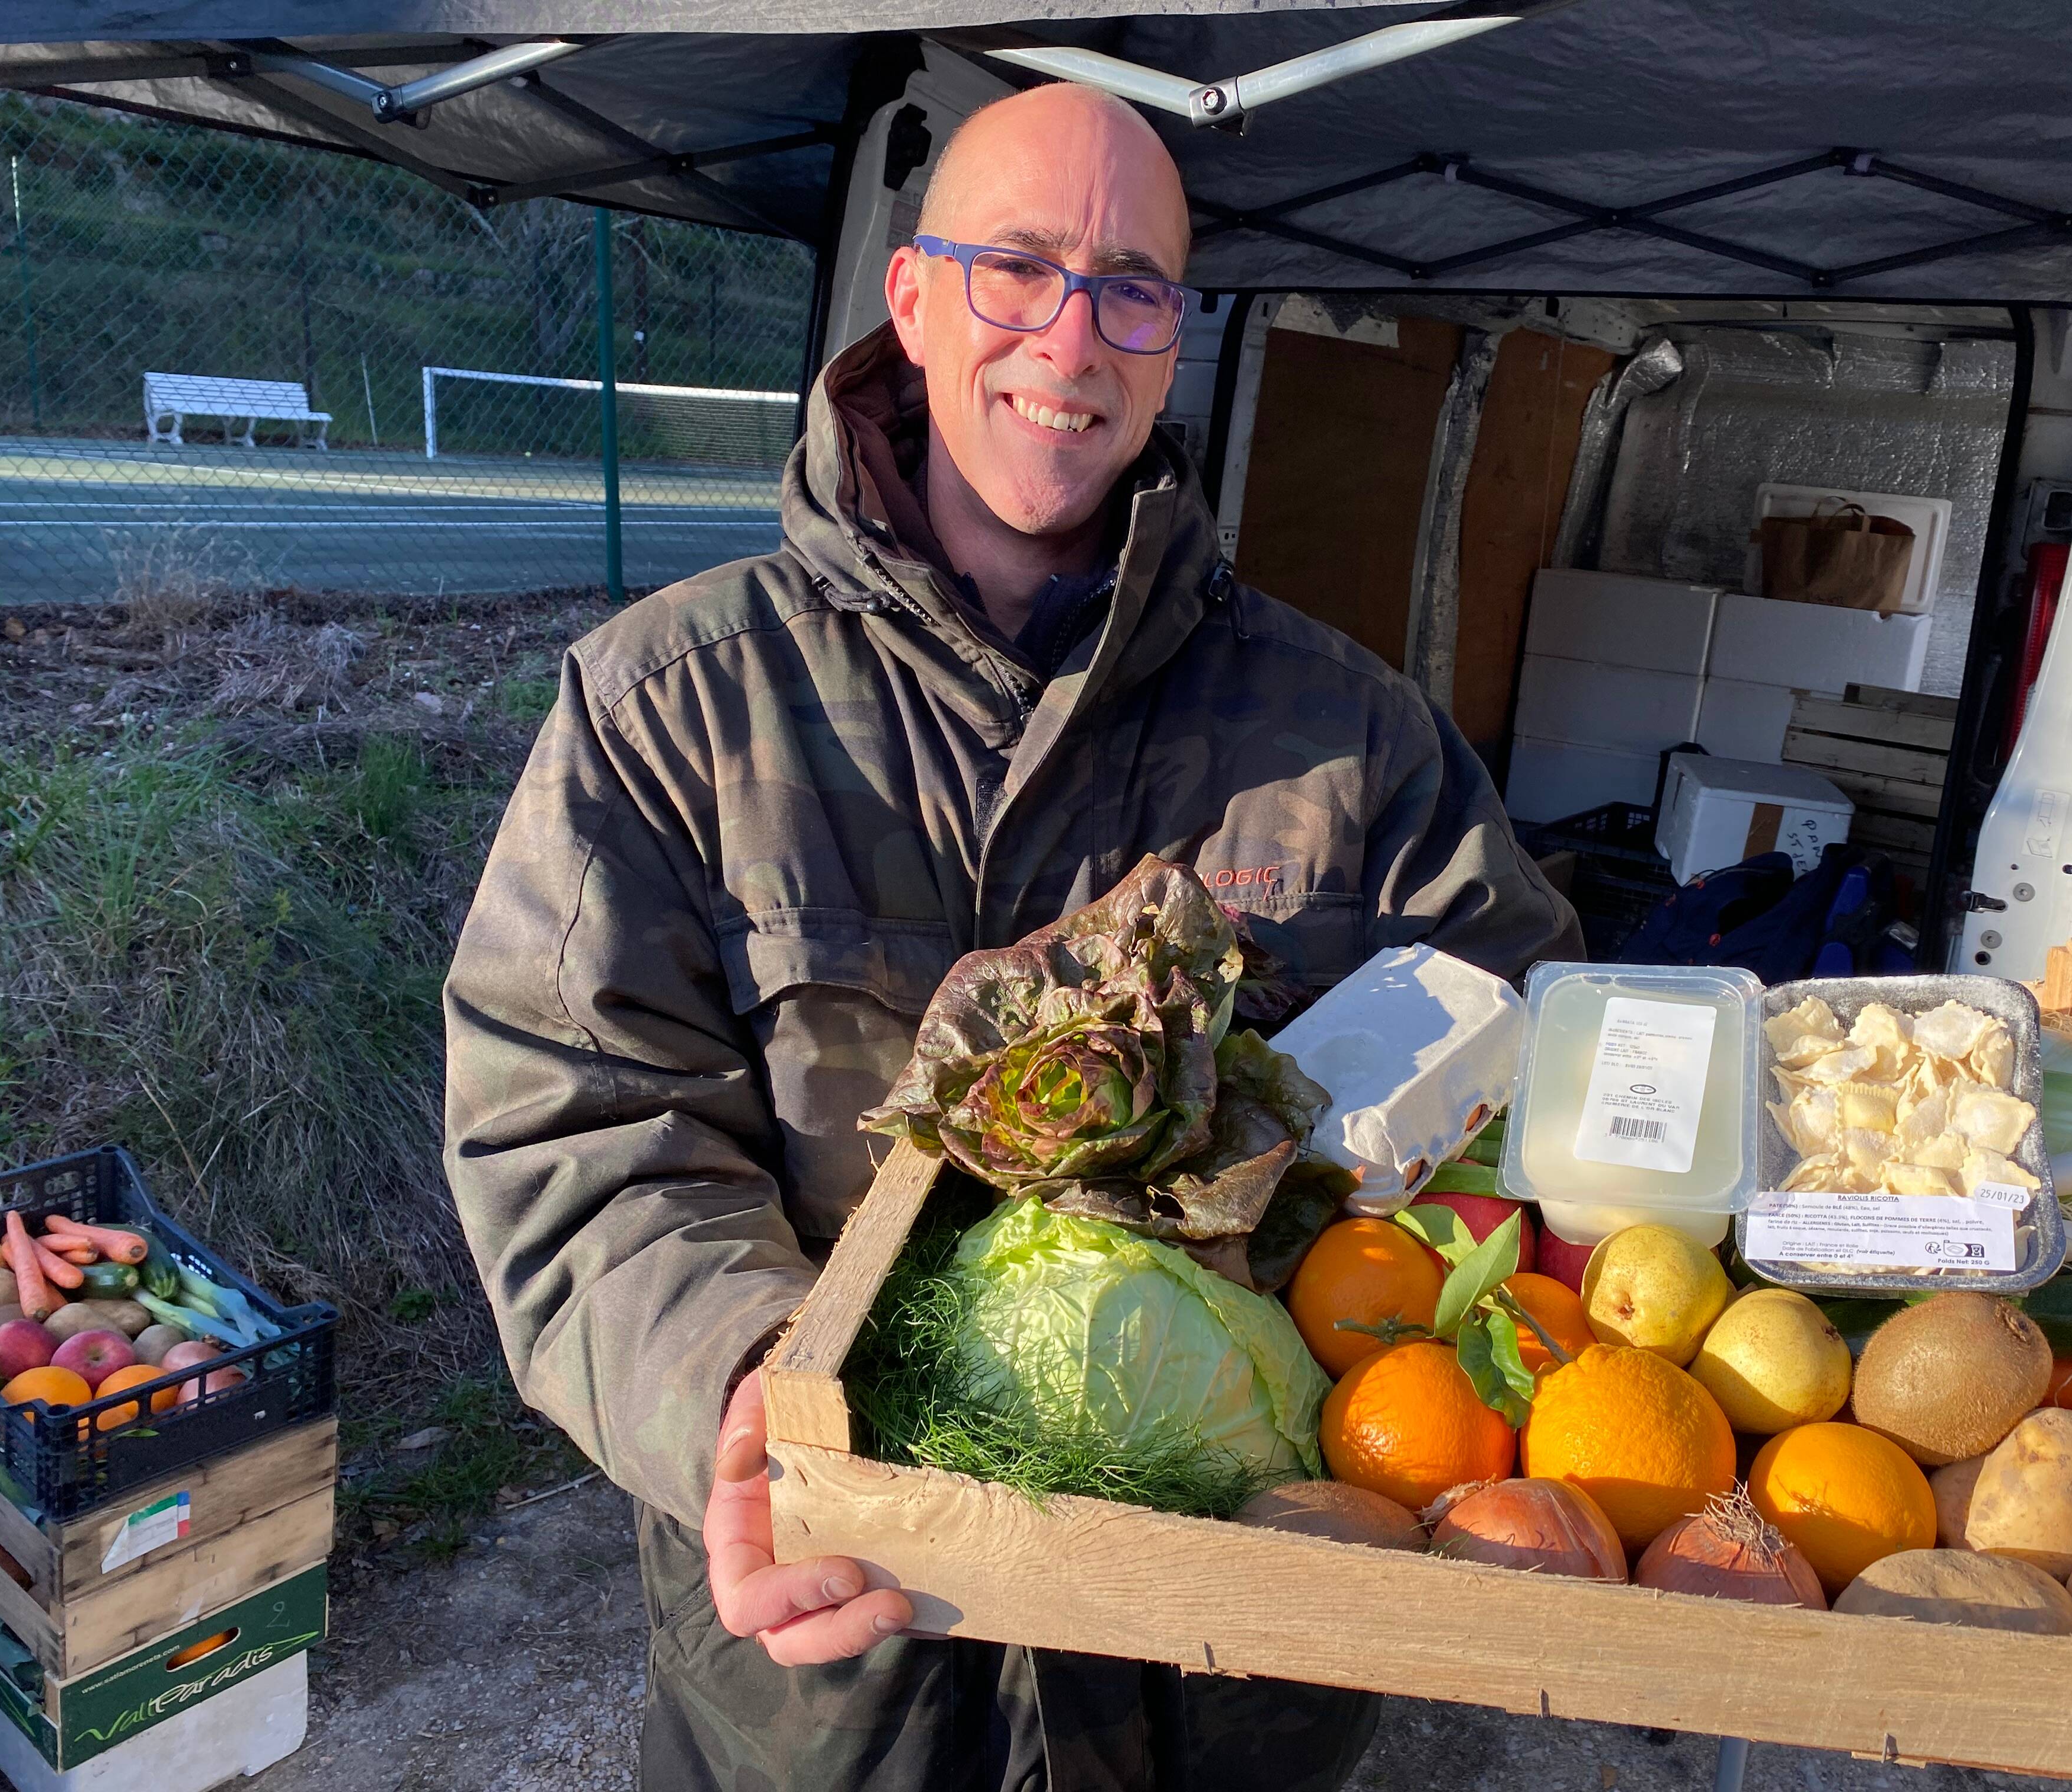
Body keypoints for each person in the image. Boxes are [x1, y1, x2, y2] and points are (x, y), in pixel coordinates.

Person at [443, 79, 1582, 1792]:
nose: (1073, 332)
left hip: (1219, 1669)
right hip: (827, 1652)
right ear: (910, 300)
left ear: (1175, 336)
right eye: (1019, 267)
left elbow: (1524, 1062)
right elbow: (576, 1126)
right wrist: (744, 1389)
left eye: (1131, 284)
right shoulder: (672, 707)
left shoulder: (1351, 738)